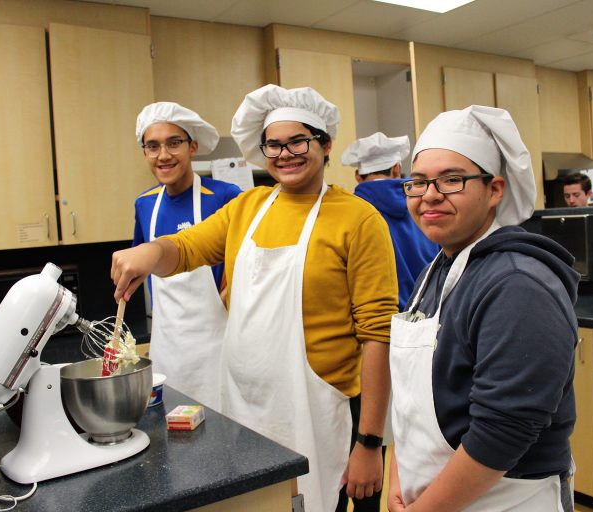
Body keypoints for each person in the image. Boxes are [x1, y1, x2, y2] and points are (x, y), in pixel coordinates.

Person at [112, 84, 397, 512]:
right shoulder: (248, 207)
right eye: (273, 144)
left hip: (318, 411)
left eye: (298, 140)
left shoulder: (358, 218)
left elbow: (378, 334)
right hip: (246, 410)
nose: (285, 154)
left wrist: (370, 443)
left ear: (325, 144)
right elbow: (186, 247)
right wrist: (148, 252)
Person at [388, 105, 579, 512]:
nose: (430, 195)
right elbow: (409, 399)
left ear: (494, 189)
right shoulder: (436, 271)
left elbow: (503, 431)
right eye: (418, 182)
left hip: (505, 500)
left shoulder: (518, 284)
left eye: (452, 179)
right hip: (435, 497)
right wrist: (399, 477)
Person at [132, 102, 241, 409]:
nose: (163, 155)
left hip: (217, 346)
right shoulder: (144, 205)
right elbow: (141, 265)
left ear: (193, 147)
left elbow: (248, 263)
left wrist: (228, 296)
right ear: (145, 153)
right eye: (152, 146)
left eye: (173, 143)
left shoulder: (224, 196)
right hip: (167, 346)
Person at [342, 132, 439, 311]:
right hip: (432, 317)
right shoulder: (428, 206)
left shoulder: (348, 213)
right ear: (396, 169)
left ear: (357, 175)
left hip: (380, 325)